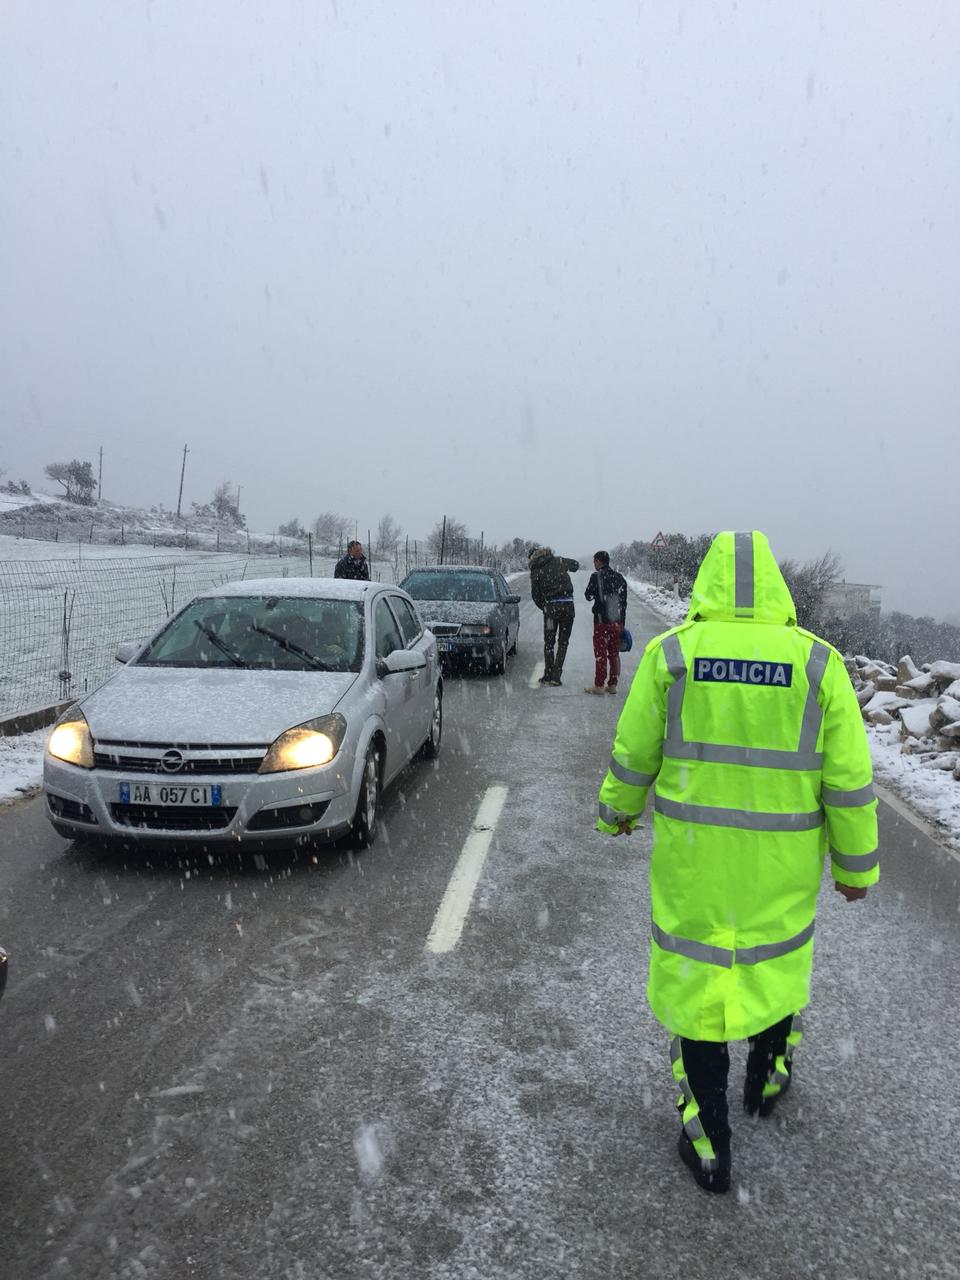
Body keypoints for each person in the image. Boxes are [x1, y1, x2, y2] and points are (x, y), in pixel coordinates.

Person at [595, 530, 878, 1195]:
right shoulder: (818, 664)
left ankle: (709, 1140)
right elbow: (849, 779)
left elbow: (635, 753)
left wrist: (617, 812)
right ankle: (769, 1076)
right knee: (771, 965)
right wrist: (855, 868)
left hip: (696, 867)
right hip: (780, 866)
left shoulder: (675, 657)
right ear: (776, 585)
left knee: (699, 995)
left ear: (708, 583)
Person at [528, 546, 579, 686]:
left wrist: (545, 607)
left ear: (531, 558)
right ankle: (556, 676)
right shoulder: (558, 560)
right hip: (568, 607)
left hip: (551, 611)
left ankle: (548, 673)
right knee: (563, 642)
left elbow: (535, 595)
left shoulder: (535, 570)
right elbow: (576, 565)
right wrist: (563, 564)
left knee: (549, 642)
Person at [584, 550, 628, 695]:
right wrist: (622, 623)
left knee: (600, 653)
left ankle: (599, 685)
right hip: (616, 622)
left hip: (601, 622)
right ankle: (613, 684)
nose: (594, 564)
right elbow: (624, 603)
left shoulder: (596, 576)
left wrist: (596, 595)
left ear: (598, 561)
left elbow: (588, 595)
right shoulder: (619, 578)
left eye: (594, 562)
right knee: (614, 653)